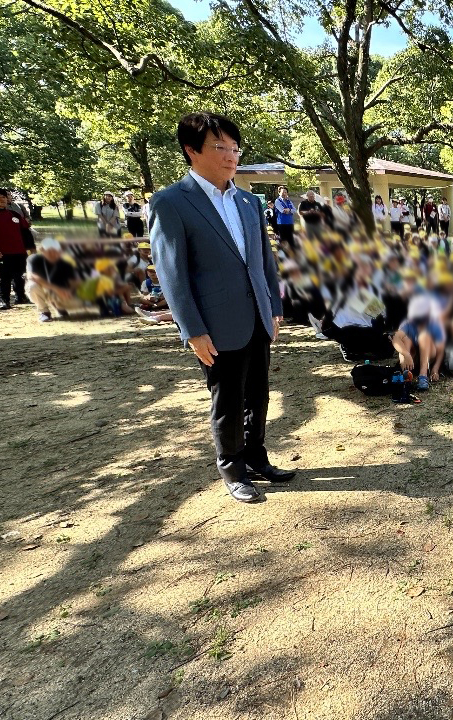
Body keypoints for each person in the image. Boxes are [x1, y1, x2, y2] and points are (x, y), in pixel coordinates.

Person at [149, 111, 294, 504]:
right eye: (220, 148)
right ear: (191, 151)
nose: (231, 156)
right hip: (214, 324)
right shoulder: (171, 203)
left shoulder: (248, 201)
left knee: (259, 392)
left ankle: (256, 455)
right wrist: (191, 330)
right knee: (227, 397)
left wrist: (274, 306)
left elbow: (264, 260)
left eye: (235, 148)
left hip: (257, 317)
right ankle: (232, 467)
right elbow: (172, 272)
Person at [393, 294, 446, 392]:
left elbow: (441, 349)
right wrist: (406, 354)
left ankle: (423, 375)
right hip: (412, 359)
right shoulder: (408, 323)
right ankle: (406, 373)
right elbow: (396, 339)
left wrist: (436, 368)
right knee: (405, 340)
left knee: (424, 336)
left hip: (429, 355)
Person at [25, 238, 81, 322]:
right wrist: (55, 288)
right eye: (49, 251)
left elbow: (74, 280)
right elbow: (31, 276)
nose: (52, 254)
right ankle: (44, 312)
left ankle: (60, 306)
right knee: (32, 286)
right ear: (42, 250)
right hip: (43, 289)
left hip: (59, 290)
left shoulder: (65, 262)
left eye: (55, 251)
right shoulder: (34, 259)